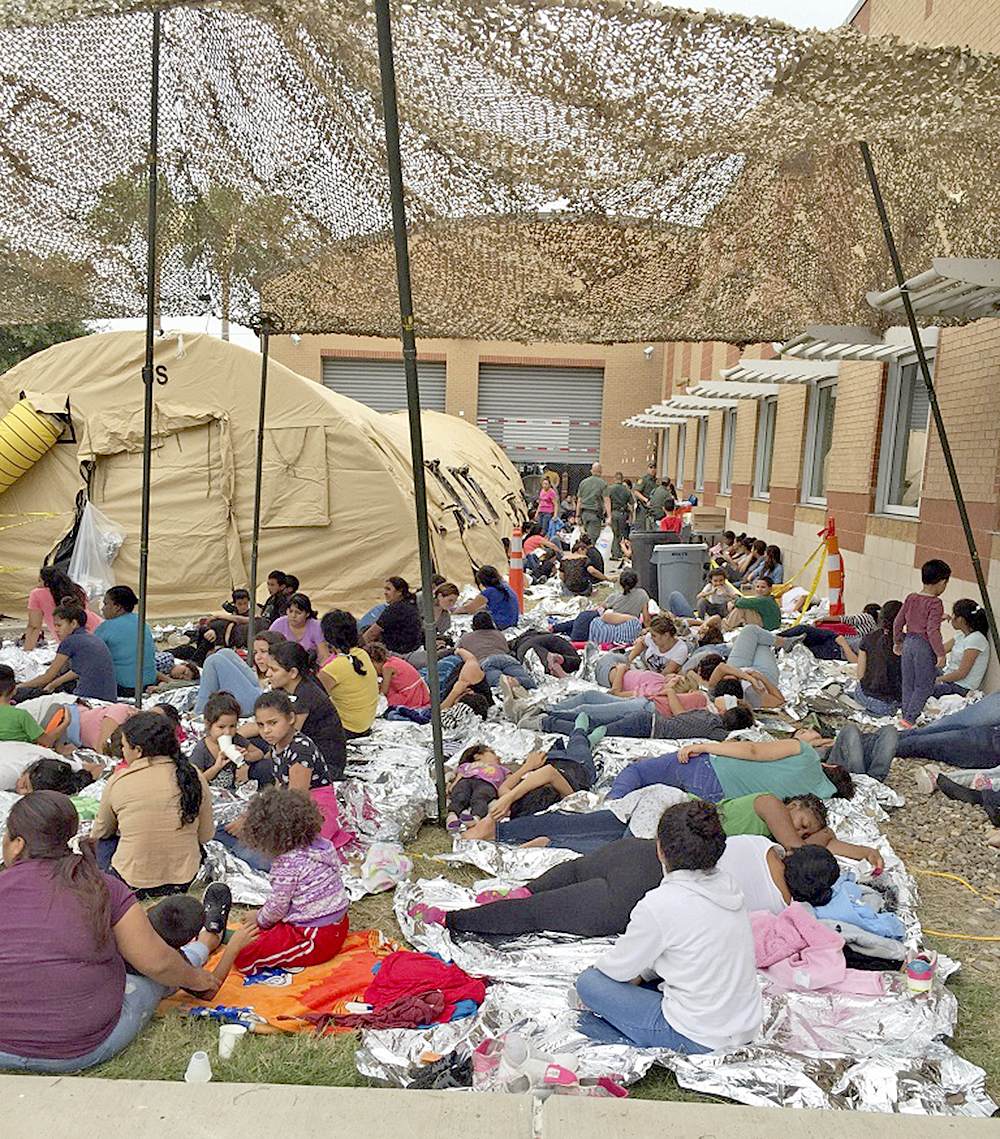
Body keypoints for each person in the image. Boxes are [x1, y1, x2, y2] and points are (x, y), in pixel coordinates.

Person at [0, 791, 236, 1072]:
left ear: (17, 843)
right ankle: (205, 945)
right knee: (153, 976)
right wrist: (200, 982)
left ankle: (194, 949)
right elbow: (157, 963)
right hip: (81, 1048)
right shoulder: (99, 886)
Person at [574, 800, 762, 1052]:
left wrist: (630, 977)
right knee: (645, 978)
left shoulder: (660, 904)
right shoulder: (728, 885)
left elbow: (615, 971)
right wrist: (643, 974)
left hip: (699, 1036)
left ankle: (626, 1036)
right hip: (744, 1027)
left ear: (659, 849)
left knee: (589, 983)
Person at [426, 835, 841, 940]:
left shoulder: (761, 845)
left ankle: (524, 889)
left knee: (572, 871)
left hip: (637, 852)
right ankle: (454, 918)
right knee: (540, 916)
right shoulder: (780, 910)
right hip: (638, 895)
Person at [89, 712, 214, 898]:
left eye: (123, 746)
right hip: (185, 879)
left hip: (132, 882)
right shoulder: (193, 774)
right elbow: (205, 835)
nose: (122, 752)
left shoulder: (119, 780)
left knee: (104, 843)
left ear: (138, 750)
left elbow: (100, 832)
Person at [230, 788, 350, 973]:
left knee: (244, 953)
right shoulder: (320, 846)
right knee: (262, 934)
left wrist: (259, 918)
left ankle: (222, 937)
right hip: (337, 924)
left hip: (315, 937)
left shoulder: (287, 863)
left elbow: (277, 909)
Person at [608, 735, 852, 804]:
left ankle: (613, 803)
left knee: (639, 771)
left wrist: (704, 746)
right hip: (720, 803)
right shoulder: (819, 800)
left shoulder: (806, 753)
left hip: (708, 769)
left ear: (829, 764)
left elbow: (753, 751)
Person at [458, 729, 600, 841]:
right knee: (578, 741)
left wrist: (527, 767)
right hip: (577, 765)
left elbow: (503, 789)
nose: (498, 756)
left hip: (548, 759)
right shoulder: (567, 799)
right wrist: (509, 798)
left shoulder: (520, 801)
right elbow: (549, 773)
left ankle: (585, 738)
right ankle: (585, 736)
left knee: (576, 743)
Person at [264, 641, 347, 780]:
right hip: (304, 750)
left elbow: (287, 737)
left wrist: (258, 760)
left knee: (259, 769)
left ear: (293, 673)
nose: (268, 674)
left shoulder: (306, 694)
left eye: (274, 670)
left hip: (325, 765)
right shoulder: (285, 688)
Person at [17, 604, 117, 701]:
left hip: (88, 698)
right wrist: (53, 684)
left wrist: (19, 686)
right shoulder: (91, 637)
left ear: (73, 624)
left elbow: (48, 677)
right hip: (108, 698)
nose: (56, 630)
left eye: (59, 625)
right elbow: (77, 671)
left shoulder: (70, 641)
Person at [894, 558, 951, 727]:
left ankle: (905, 715)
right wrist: (940, 653)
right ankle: (909, 719)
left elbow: (899, 621)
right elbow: (932, 630)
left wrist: (897, 641)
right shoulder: (935, 603)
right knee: (924, 685)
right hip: (923, 646)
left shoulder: (912, 598)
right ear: (941, 582)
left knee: (908, 682)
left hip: (908, 641)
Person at [540, 699, 752, 741]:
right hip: (646, 728)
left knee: (593, 720)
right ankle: (546, 723)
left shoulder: (707, 714)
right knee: (592, 733)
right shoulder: (716, 733)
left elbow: (680, 717)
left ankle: (550, 713)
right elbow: (735, 743)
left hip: (647, 717)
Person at [318, 610, 379, 738]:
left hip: (348, 729)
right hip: (365, 724)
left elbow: (311, 699)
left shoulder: (334, 668)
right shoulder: (362, 654)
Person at [188, 691, 266, 790]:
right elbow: (195, 780)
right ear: (208, 724)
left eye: (232, 726)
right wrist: (216, 767)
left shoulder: (236, 739)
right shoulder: (202, 750)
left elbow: (259, 753)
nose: (227, 732)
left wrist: (247, 756)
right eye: (221, 727)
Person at [94, 586, 157, 697]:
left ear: (117, 607)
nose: (103, 609)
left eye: (106, 604)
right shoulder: (140, 620)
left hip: (125, 687)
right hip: (149, 682)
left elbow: (88, 654)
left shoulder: (107, 626)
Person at [23, 567, 101, 651]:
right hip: (98, 628)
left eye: (39, 581)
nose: (38, 585)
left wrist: (27, 650)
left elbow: (34, 626)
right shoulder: (74, 589)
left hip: (79, 640)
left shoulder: (37, 594)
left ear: (45, 582)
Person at [457, 612, 537, 693]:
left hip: (485, 662)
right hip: (506, 659)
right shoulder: (498, 634)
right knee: (529, 683)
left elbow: (458, 653)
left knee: (500, 688)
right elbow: (507, 650)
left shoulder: (465, 638)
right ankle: (516, 681)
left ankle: (508, 686)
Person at [850, 600, 903, 716]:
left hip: (864, 696)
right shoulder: (906, 643)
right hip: (888, 704)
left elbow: (860, 674)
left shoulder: (868, 638)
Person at [445, 744, 512, 833]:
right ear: (477, 756)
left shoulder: (502, 768)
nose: (497, 756)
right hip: (466, 781)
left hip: (487, 783)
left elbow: (511, 779)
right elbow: (459, 776)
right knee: (459, 796)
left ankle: (475, 818)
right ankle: (452, 817)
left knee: (481, 798)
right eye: (492, 753)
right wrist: (453, 786)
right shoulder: (467, 765)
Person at [935, 598, 990, 697]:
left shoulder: (976, 639)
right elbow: (938, 651)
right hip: (948, 676)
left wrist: (937, 680)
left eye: (954, 614)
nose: (951, 618)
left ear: (961, 619)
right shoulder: (961, 636)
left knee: (921, 688)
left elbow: (962, 673)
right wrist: (935, 624)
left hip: (960, 686)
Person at [0, 667, 60, 749]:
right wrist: (66, 723)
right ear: (14, 690)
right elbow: (46, 740)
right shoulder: (21, 715)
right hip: (21, 756)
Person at [586, 569, 650, 646]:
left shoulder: (615, 596)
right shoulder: (642, 594)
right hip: (630, 630)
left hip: (612, 628)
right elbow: (646, 620)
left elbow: (600, 609)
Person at [193, 646, 262, 716]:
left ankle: (199, 712)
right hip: (257, 692)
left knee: (213, 660)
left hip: (252, 702)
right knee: (225, 652)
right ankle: (200, 710)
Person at [363, 577, 423, 653]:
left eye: (388, 589)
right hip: (414, 650)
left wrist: (359, 648)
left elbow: (372, 633)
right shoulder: (411, 604)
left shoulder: (396, 609)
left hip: (399, 654)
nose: (385, 593)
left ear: (399, 592)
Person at [367, 641, 431, 710]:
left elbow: (384, 691)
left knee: (381, 701)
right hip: (419, 692)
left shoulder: (387, 667)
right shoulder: (393, 659)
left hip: (410, 696)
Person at [453, 565, 520, 629]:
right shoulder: (505, 587)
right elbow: (494, 606)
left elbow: (468, 608)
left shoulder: (489, 592)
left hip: (501, 624)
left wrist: (453, 613)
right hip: (512, 622)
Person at [269, 593, 329, 662]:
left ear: (307, 614)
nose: (293, 616)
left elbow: (324, 655)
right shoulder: (278, 624)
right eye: (290, 611)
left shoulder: (316, 627)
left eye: (298, 613)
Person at [576, 462, 610, 544]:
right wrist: (609, 516)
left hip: (584, 514)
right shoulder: (603, 483)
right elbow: (606, 500)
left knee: (584, 537)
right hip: (595, 514)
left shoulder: (583, 483)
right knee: (592, 540)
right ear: (601, 472)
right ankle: (589, 556)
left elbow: (579, 500)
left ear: (591, 471)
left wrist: (577, 515)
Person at [608, 472, 634, 560]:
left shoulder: (610, 489)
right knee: (621, 533)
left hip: (613, 512)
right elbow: (631, 503)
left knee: (615, 533)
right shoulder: (626, 490)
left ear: (614, 479)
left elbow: (606, 501)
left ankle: (615, 552)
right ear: (622, 479)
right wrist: (631, 516)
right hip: (623, 513)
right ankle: (618, 551)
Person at [634, 462, 658, 529]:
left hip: (652, 507)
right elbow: (636, 492)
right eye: (651, 468)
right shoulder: (643, 479)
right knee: (641, 525)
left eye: (654, 468)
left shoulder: (656, 481)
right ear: (647, 468)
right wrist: (645, 500)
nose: (653, 470)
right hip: (643, 506)